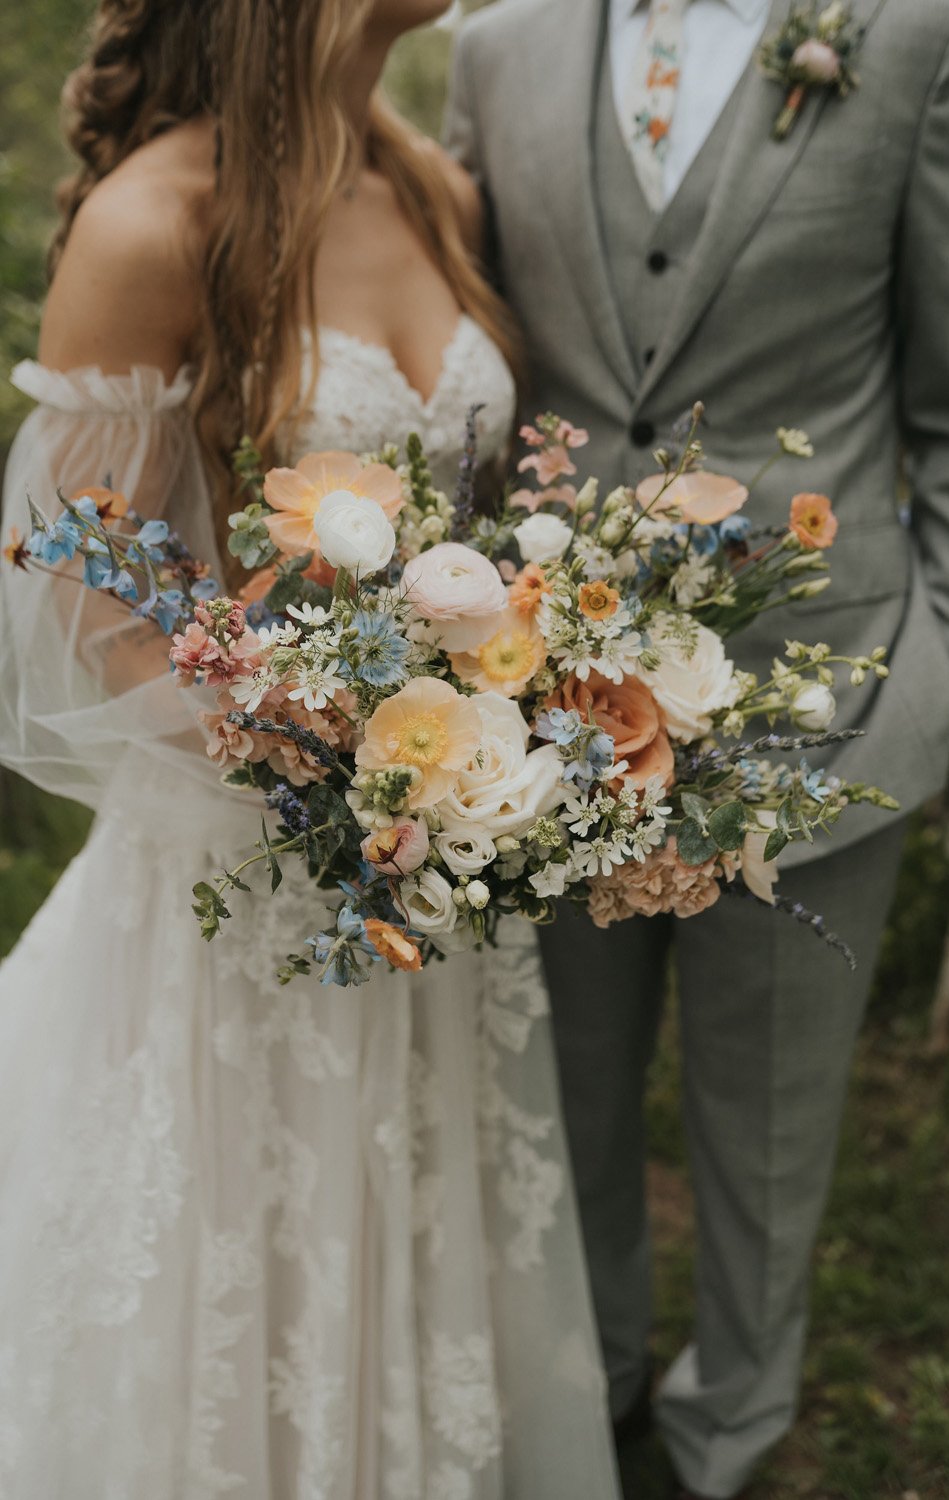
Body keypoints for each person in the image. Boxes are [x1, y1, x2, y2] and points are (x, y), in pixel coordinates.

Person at [0, 3, 621, 1496]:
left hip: (440, 849)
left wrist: (497, 742)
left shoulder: (432, 187)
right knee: (236, 1249)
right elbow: (86, 589)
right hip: (251, 869)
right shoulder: (159, 222)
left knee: (411, 1211)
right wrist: (326, 771)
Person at [445, 0, 949, 1496]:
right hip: (544, 704)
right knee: (560, 1094)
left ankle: (732, 1430)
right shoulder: (497, 50)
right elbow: (471, 357)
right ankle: (595, 1384)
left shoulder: (931, 33)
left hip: (828, 698)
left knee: (768, 1123)